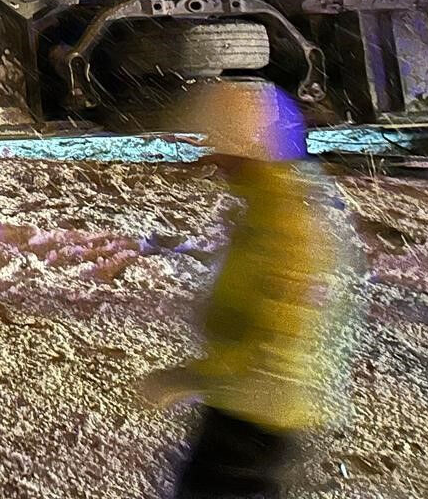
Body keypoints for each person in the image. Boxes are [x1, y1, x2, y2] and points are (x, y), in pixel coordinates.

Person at [138, 78, 359, 498]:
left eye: (221, 144)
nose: (212, 156)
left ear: (248, 147)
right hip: (250, 405)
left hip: (260, 410)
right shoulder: (269, 205)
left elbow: (277, 327)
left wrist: (193, 375)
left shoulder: (285, 220)